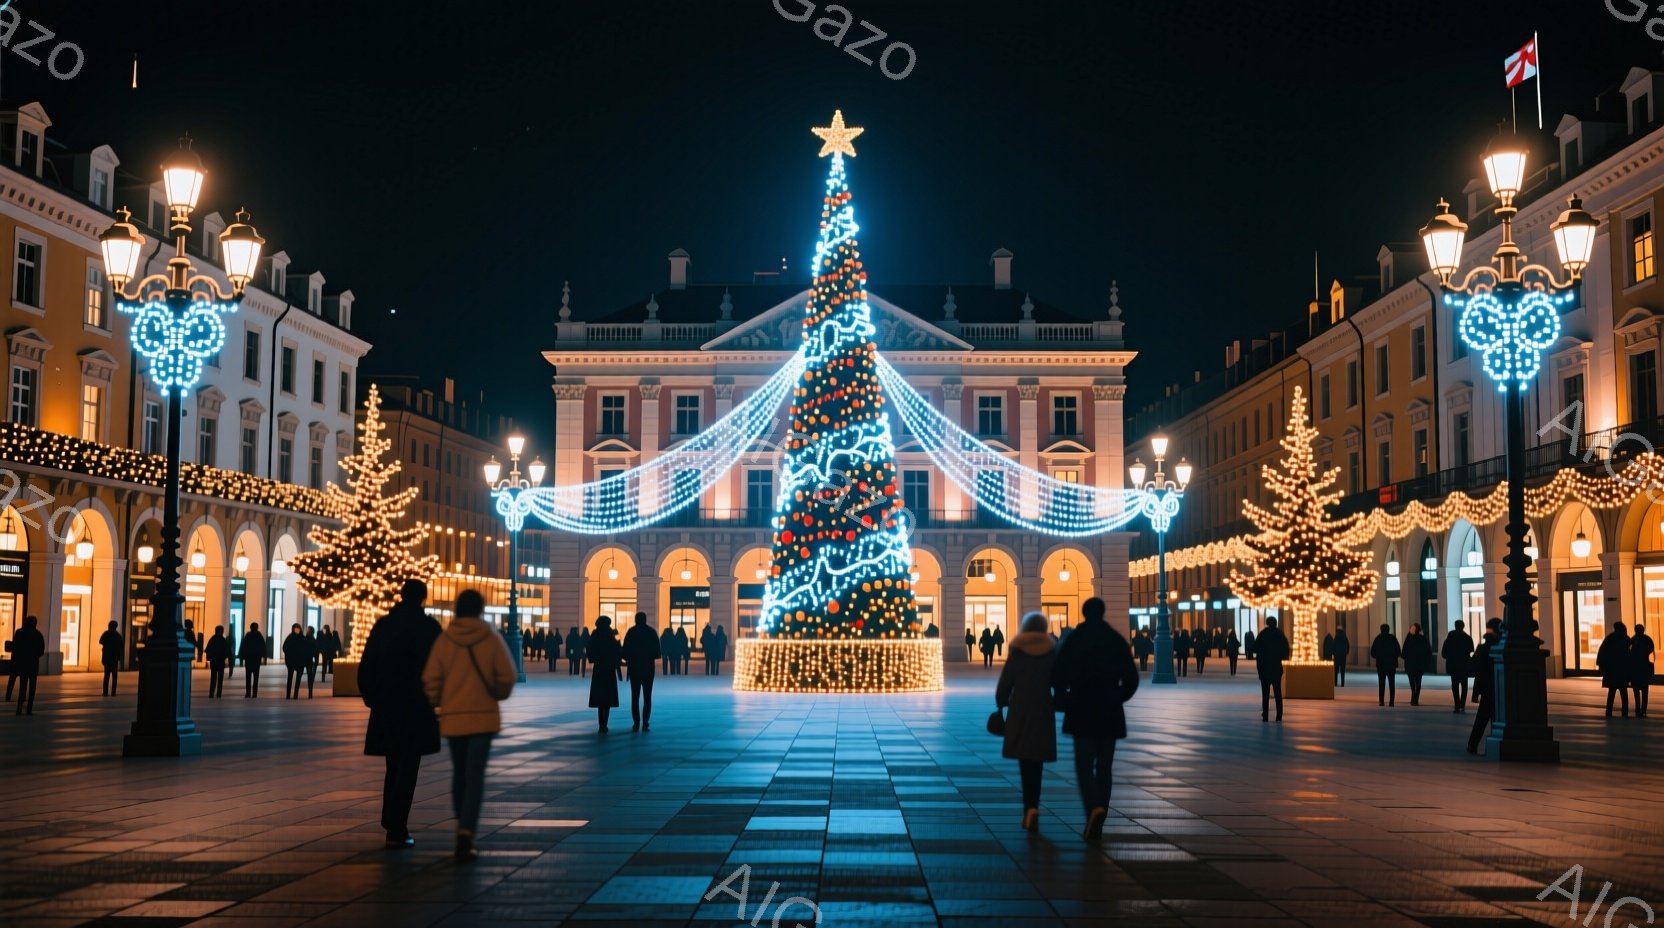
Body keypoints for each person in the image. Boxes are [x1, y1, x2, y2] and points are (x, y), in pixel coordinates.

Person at [423, 588, 516, 862]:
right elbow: (507, 677)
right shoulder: (491, 639)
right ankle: (467, 831)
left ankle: (460, 822)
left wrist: (440, 702)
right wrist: (496, 694)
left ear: (456, 609)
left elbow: (430, 679)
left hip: (453, 718)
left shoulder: (445, 640)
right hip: (483, 718)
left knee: (459, 773)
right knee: (475, 776)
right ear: (480, 610)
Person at [360, 580, 442, 848]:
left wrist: (372, 697)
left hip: (388, 705)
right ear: (423, 598)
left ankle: (391, 820)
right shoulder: (429, 628)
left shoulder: (383, 625)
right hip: (417, 706)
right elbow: (441, 668)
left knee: (393, 765)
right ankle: (396, 826)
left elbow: (367, 663)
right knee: (409, 766)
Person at [1050, 598, 1138, 841]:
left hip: (1082, 710)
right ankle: (1100, 816)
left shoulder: (1075, 640)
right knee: (1105, 767)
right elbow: (1131, 678)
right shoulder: (1116, 640)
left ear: (1084, 613)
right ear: (1103, 612)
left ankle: (1093, 809)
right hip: (1109, 712)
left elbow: (1057, 675)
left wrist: (1064, 697)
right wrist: (1118, 697)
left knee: (1084, 764)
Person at [996, 612, 1057, 832]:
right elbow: (1059, 679)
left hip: (1020, 708)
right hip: (1042, 708)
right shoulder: (1051, 651)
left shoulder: (1018, 651)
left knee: (1025, 759)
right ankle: (1034, 806)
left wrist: (1001, 701)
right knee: (1038, 761)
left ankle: (1028, 809)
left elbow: (1006, 681)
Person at [1468, 618, 1503, 753]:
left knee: (1481, 719)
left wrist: (1476, 692)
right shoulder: (1501, 647)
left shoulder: (1482, 648)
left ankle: (1472, 744)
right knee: (1497, 718)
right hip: (1498, 687)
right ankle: (1496, 743)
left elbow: (1476, 670)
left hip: (1485, 688)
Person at [622, 612, 660, 732]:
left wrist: (632, 657)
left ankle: (636, 722)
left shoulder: (631, 632)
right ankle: (645, 722)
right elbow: (657, 653)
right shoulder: (651, 632)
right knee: (647, 696)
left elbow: (625, 652)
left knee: (635, 696)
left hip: (634, 668)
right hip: (648, 668)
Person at [587, 616, 622, 732]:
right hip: (609, 668)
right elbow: (617, 649)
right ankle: (604, 723)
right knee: (607, 697)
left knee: (599, 697)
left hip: (599, 668)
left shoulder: (595, 634)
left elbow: (590, 650)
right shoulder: (611, 634)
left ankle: (601, 723)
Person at [1255, 616, 1288, 722]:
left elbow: (1255, 648)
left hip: (1264, 668)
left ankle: (1265, 716)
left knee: (1265, 694)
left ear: (1267, 623)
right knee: (1277, 692)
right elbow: (1285, 651)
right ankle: (1279, 715)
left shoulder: (1262, 635)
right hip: (1276, 668)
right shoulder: (1280, 635)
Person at [10, 615, 44, 715]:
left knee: (22, 687)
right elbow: (41, 650)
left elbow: (15, 647)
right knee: (32, 688)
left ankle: (19, 708)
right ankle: (29, 709)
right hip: (33, 666)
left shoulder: (20, 633)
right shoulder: (38, 635)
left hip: (22, 665)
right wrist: (34, 656)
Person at [1598, 621, 1633, 718]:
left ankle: (1609, 710)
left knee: (1612, 691)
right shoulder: (1626, 639)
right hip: (1622, 670)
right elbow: (1630, 653)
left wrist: (1602, 666)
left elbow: (1602, 652)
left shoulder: (1610, 638)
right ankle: (1624, 711)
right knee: (1623, 692)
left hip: (1612, 670)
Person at [1441, 619, 1475, 713]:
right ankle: (1462, 704)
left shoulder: (1450, 636)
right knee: (1464, 685)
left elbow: (1444, 652)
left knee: (1455, 685)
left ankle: (1457, 704)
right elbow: (1471, 649)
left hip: (1453, 665)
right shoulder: (1467, 637)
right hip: (1464, 665)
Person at [1370, 623, 1401, 707]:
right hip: (1391, 664)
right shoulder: (1393, 638)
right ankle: (1391, 701)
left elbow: (1372, 652)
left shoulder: (1378, 639)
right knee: (1392, 683)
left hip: (1381, 664)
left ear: (1381, 630)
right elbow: (1398, 651)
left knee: (1381, 683)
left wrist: (1379, 656)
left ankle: (1381, 701)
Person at [1402, 623, 1432, 707]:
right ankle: (1416, 698)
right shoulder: (1423, 639)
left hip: (1410, 663)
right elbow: (1428, 651)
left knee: (1412, 681)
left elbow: (1404, 651)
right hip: (1419, 664)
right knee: (1418, 681)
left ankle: (1413, 696)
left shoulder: (1409, 638)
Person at [1632, 623, 1655, 719]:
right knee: (1645, 690)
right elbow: (1651, 649)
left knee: (1636, 690)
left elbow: (1630, 651)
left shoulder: (1633, 639)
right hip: (1644, 666)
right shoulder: (1647, 639)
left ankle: (1638, 708)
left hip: (1635, 668)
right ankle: (1643, 709)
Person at [240, 622, 267, 697]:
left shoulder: (247, 636)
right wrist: (264, 658)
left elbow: (243, 647)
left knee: (248, 677)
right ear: (257, 628)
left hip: (249, 660)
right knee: (256, 677)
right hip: (256, 660)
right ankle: (254, 693)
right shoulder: (259, 636)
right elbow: (263, 647)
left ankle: (248, 693)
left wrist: (242, 659)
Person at [282, 624, 309, 700]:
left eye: (298, 628)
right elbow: (284, 647)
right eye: (295, 628)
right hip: (291, 661)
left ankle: (295, 694)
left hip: (299, 662)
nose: (297, 630)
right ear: (293, 629)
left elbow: (306, 649)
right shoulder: (290, 637)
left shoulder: (302, 638)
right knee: (290, 678)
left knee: (298, 678)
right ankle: (288, 694)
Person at [99, 621, 123, 697]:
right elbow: (120, 646)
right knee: (114, 676)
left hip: (107, 658)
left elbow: (100, 641)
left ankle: (105, 692)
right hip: (114, 659)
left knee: (106, 676)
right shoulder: (118, 636)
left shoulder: (106, 634)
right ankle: (113, 692)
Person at [206, 625, 230, 698]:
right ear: (222, 631)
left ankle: (211, 693)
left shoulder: (212, 639)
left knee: (213, 677)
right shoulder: (223, 640)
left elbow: (208, 650)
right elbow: (227, 651)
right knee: (220, 679)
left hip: (213, 662)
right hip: (220, 662)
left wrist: (210, 658)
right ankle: (219, 694)